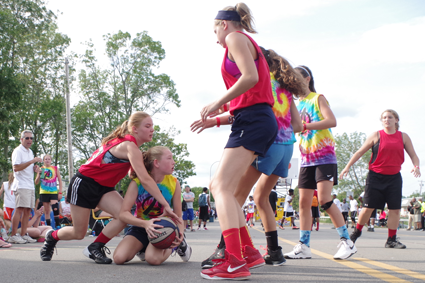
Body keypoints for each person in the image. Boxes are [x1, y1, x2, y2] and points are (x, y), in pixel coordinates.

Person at [192, 44, 303, 270]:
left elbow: (247, 112)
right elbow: (298, 125)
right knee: (261, 198)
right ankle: (274, 252)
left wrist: (215, 120)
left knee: (233, 195)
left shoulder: (261, 82)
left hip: (268, 144)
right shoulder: (286, 89)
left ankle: (227, 250)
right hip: (287, 148)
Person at [194, 3, 279, 279]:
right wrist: (217, 118)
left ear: (224, 24)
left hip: (255, 121)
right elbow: (249, 98)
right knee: (221, 188)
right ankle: (249, 253)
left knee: (220, 187)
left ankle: (234, 261)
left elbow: (250, 78)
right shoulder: (242, 41)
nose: (215, 37)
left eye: (214, 30)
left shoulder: (234, 37)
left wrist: (218, 101)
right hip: (252, 119)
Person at [40, 111, 181, 263]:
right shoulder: (129, 146)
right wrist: (165, 204)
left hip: (104, 187)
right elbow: (145, 179)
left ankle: (95, 247)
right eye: (147, 126)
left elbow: (129, 173)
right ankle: (51, 236)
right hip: (84, 184)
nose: (152, 129)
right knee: (79, 233)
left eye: (152, 126)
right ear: (134, 129)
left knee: (123, 215)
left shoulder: (130, 148)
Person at [284, 66, 357, 261]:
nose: (294, 83)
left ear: (307, 79)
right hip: (306, 159)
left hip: (324, 157)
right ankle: (304, 246)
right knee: (303, 203)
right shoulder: (296, 105)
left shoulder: (318, 98)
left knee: (324, 200)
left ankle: (346, 242)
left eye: (297, 78)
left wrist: (304, 126)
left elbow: (331, 121)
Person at [340, 109, 421, 248]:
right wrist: (347, 166)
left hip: (394, 178)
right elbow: (360, 152)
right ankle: (355, 235)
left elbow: (413, 155)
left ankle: (391, 240)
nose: (386, 119)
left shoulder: (403, 137)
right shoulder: (376, 135)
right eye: (384, 117)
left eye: (390, 117)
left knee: (395, 210)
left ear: (396, 120)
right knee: (367, 208)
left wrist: (416, 166)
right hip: (375, 177)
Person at [113, 146, 191, 265]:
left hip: (163, 228)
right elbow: (123, 213)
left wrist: (179, 235)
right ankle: (143, 247)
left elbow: (178, 215)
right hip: (141, 226)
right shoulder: (137, 182)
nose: (173, 162)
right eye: (169, 158)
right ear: (156, 163)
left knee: (153, 259)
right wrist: (145, 224)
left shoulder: (174, 182)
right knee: (119, 258)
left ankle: (180, 246)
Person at [9, 130, 42, 244]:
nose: (29, 140)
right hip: (21, 184)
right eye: (27, 138)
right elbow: (16, 168)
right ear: (21, 139)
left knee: (28, 210)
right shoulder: (18, 151)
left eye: (31, 138)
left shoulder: (30, 151)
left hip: (30, 185)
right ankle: (13, 235)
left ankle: (23, 235)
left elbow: (27, 166)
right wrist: (32, 161)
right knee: (19, 209)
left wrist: (35, 168)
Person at [35, 154, 63, 228]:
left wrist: (60, 192)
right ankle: (48, 227)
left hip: (53, 191)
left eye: (48, 159)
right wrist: (38, 174)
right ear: (43, 160)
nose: (47, 160)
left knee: (55, 208)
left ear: (51, 160)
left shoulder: (55, 168)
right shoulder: (42, 169)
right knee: (47, 210)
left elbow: (60, 180)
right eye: (46, 159)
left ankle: (58, 225)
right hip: (44, 192)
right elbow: (36, 182)